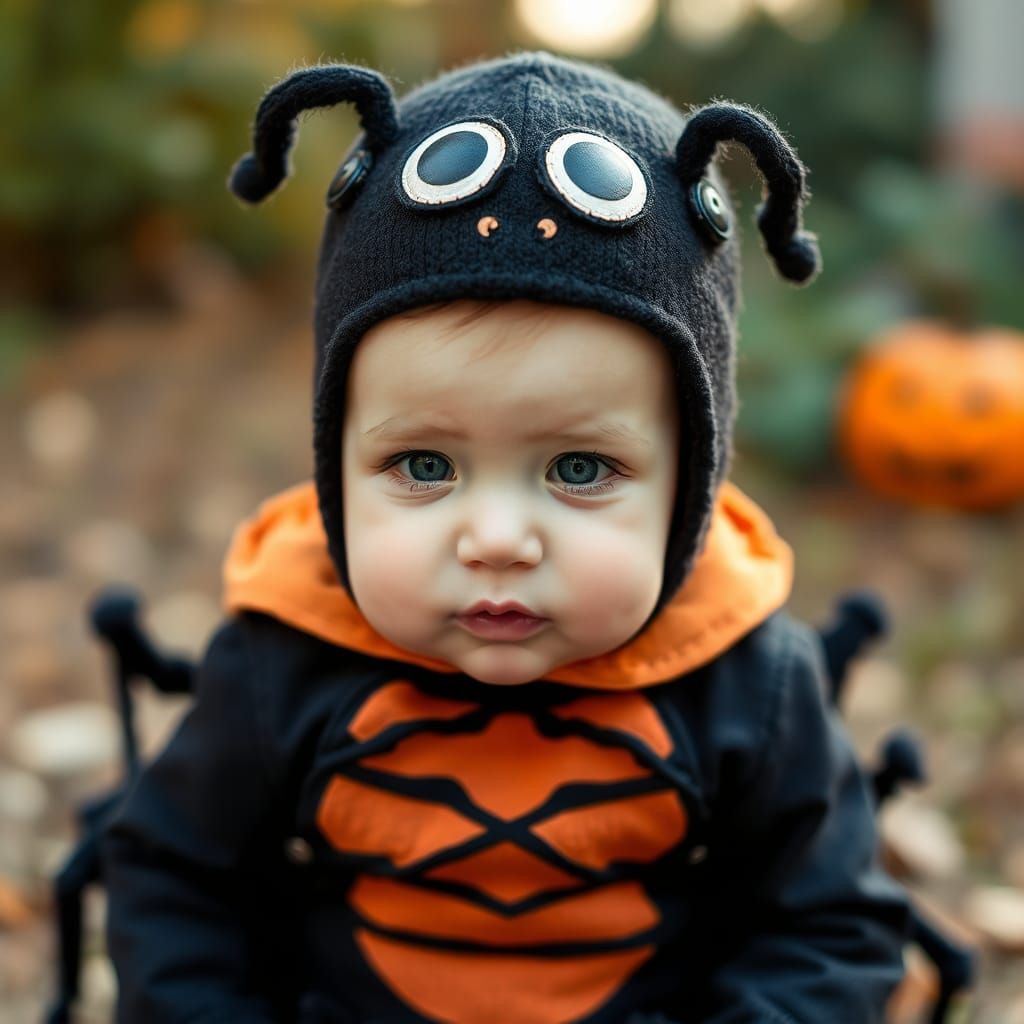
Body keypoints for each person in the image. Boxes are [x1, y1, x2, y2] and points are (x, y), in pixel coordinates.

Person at [102, 52, 910, 1023]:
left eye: (578, 469)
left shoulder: (746, 680)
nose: (494, 539)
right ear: (335, 462)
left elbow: (825, 924)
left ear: (690, 484)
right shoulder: (287, 654)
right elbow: (174, 879)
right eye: (424, 466)